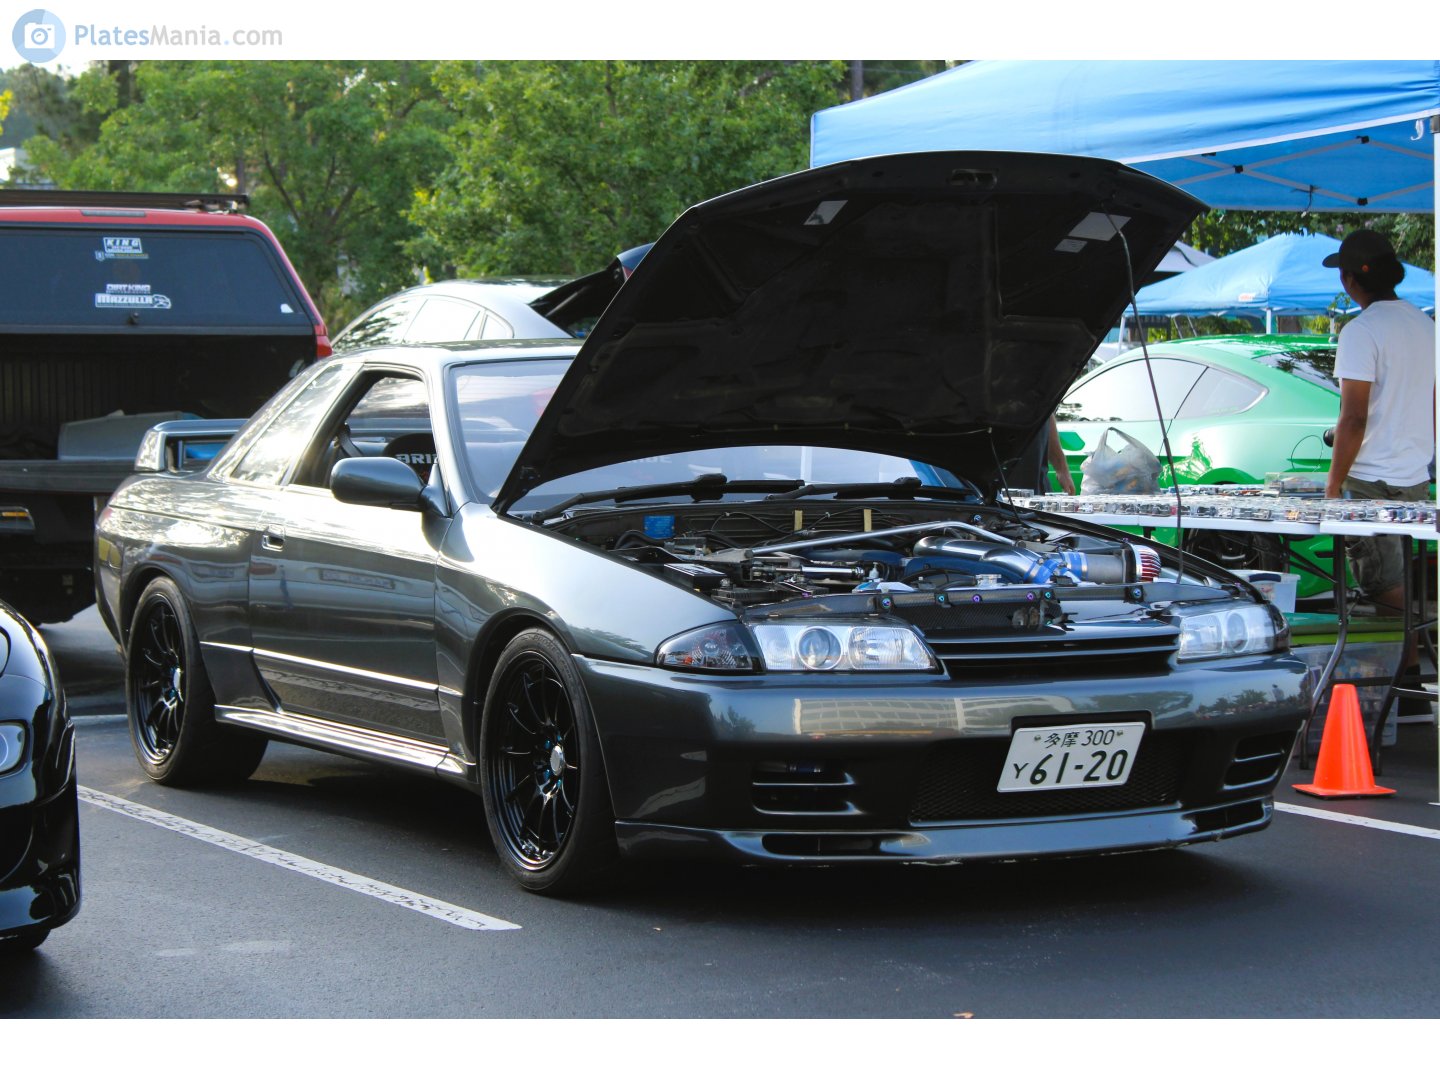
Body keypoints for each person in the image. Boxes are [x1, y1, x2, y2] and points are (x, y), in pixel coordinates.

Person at [1322, 229, 1435, 669]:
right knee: (1400, 580)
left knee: (1384, 584)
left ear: (1350, 281)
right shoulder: (1424, 325)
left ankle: (1399, 688)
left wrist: (1331, 486)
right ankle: (1404, 685)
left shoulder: (1361, 331)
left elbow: (1353, 417)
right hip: (1414, 477)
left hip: (1371, 481)